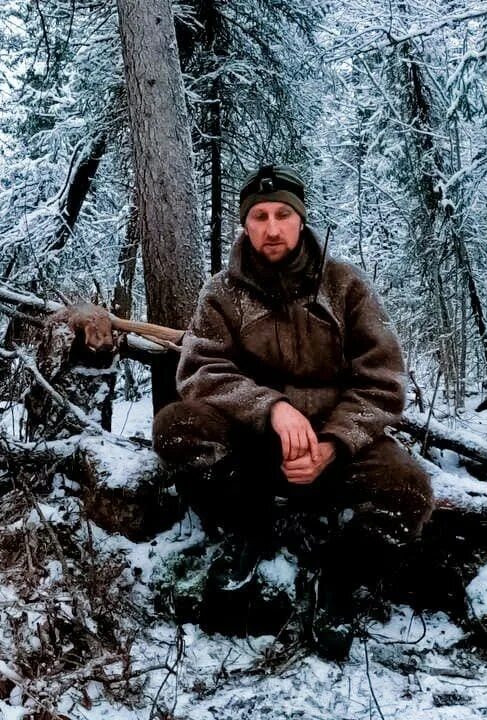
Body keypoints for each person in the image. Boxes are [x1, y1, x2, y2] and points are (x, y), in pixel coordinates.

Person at [152, 164, 433, 660]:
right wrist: (272, 409)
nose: (272, 227)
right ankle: (248, 529)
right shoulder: (222, 292)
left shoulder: (346, 287)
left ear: (302, 220)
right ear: (246, 224)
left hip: (335, 443)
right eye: (259, 216)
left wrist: (333, 444)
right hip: (254, 442)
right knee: (177, 429)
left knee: (409, 492)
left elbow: (383, 383)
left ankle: (341, 579)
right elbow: (199, 370)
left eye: (283, 213)